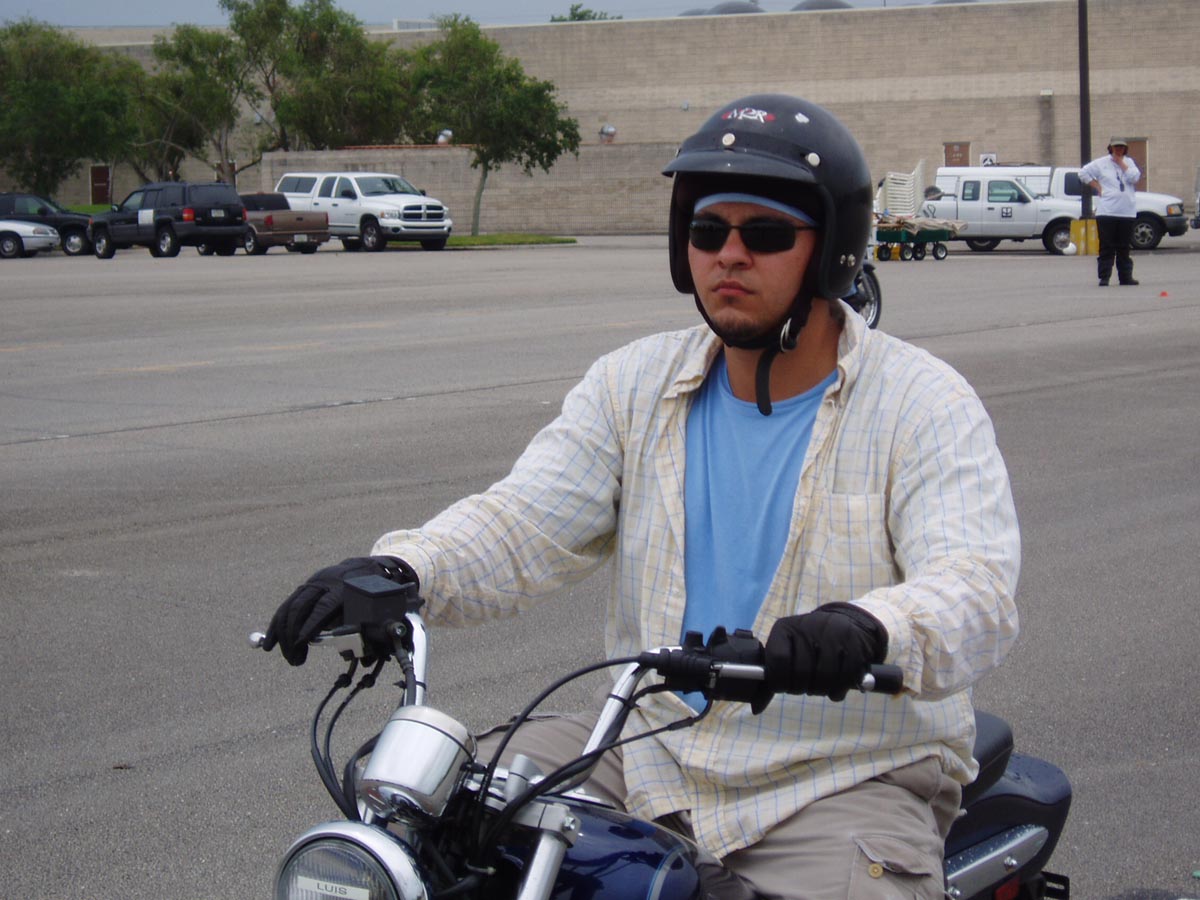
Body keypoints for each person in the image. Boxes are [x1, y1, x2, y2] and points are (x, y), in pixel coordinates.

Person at [264, 94, 1020, 900]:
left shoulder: (921, 403)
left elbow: (975, 587)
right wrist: (402, 571)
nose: (729, 255)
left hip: (838, 774)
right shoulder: (634, 386)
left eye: (765, 234)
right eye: (707, 231)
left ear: (830, 249)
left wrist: (869, 628)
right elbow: (524, 522)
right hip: (647, 748)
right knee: (427, 824)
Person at [1079, 138, 1141, 286]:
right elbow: (1083, 173)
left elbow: (1134, 178)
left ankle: (1125, 277)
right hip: (1107, 211)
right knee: (1106, 246)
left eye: (1121, 147)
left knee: (1124, 247)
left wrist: (1121, 163)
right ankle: (1104, 276)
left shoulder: (1129, 162)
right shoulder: (1101, 163)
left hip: (1126, 212)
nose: (1119, 150)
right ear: (1111, 148)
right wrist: (1097, 186)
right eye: (1116, 147)